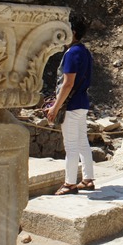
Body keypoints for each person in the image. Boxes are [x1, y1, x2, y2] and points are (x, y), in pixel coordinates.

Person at [48, 16, 95, 195]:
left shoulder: (72, 53)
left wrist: (55, 107)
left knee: (71, 145)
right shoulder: (84, 51)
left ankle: (69, 183)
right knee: (82, 141)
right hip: (82, 102)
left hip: (71, 105)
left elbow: (68, 83)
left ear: (73, 32)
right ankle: (88, 179)